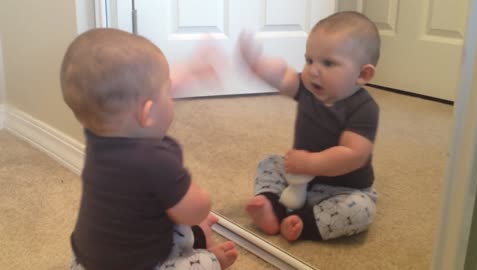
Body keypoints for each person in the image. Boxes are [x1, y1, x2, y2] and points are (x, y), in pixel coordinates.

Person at [60, 28, 238, 270]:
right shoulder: (156, 161)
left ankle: (195, 238)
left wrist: (192, 68)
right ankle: (212, 259)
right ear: (147, 112)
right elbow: (195, 210)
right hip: (137, 265)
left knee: (163, 218)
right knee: (196, 253)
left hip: (84, 260)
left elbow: (146, 91)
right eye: (168, 92)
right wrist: (199, 201)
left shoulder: (98, 134)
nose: (172, 94)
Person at [242, 11, 381, 241]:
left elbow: (353, 155)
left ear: (362, 74)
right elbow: (283, 80)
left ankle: (303, 223)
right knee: (269, 162)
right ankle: (271, 206)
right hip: (299, 178)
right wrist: (258, 65)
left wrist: (311, 163)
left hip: (344, 189)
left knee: (362, 210)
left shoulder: (364, 108)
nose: (314, 70)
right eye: (309, 60)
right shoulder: (308, 88)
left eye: (328, 63)